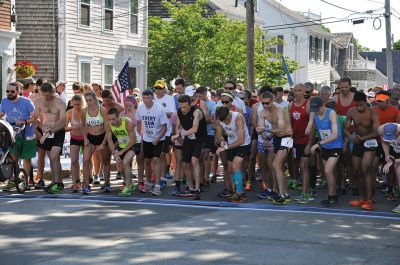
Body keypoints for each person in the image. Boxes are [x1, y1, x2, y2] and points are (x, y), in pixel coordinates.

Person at [344, 92, 380, 210]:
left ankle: (369, 200)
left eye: (361, 105)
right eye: (357, 105)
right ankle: (362, 198)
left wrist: (362, 138)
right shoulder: (351, 112)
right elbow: (345, 129)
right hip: (357, 141)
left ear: (365, 102)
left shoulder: (373, 113)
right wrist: (351, 136)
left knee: (366, 169)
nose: (359, 107)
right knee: (356, 170)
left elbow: (377, 131)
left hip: (370, 141)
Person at [257, 92, 293, 205]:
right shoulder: (263, 112)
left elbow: (282, 129)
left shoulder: (279, 110)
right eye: (263, 103)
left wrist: (266, 130)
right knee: (279, 167)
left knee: (275, 164)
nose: (265, 105)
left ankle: (281, 194)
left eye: (267, 103)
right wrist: (264, 135)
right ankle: (285, 193)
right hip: (277, 138)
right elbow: (259, 128)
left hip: (287, 137)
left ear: (273, 101)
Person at [0, 82, 37, 191]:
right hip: (11, 132)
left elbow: (34, 117)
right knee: (12, 157)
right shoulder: (4, 101)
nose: (9, 93)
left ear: (19, 91)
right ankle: (12, 180)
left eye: (12, 91)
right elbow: (1, 114)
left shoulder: (27, 102)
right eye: (7, 91)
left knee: (26, 158)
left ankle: (25, 181)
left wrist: (24, 121)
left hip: (26, 132)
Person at [309, 96, 343, 207]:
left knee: (328, 170)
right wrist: (308, 127)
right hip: (325, 147)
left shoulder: (331, 113)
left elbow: (335, 135)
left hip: (335, 145)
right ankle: (332, 195)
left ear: (323, 105)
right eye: (314, 109)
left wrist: (318, 144)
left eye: (317, 109)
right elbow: (310, 121)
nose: (316, 111)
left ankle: (332, 196)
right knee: (328, 173)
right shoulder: (314, 112)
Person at [171, 95, 207, 200]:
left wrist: (180, 134)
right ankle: (190, 187)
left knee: (194, 160)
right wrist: (177, 133)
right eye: (181, 107)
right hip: (188, 138)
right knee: (185, 163)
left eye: (185, 107)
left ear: (190, 105)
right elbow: (177, 127)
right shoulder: (179, 112)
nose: (183, 110)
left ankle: (197, 188)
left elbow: (195, 129)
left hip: (199, 139)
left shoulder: (196, 112)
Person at [34, 82, 67, 194]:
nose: (47, 98)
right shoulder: (39, 101)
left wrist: (48, 133)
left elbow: (63, 122)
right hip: (47, 129)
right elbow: (34, 118)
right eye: (44, 95)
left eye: (49, 95)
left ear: (53, 92)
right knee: (53, 157)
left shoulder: (60, 102)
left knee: (53, 156)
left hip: (58, 130)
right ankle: (57, 181)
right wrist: (42, 127)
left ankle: (58, 183)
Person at [215, 105, 251, 202]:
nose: (223, 123)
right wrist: (222, 141)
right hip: (231, 143)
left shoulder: (238, 118)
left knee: (236, 166)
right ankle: (237, 191)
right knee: (230, 168)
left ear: (227, 116)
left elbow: (241, 140)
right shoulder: (219, 119)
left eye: (224, 121)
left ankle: (240, 193)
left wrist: (224, 147)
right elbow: (219, 134)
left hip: (243, 144)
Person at [136, 89, 168, 196]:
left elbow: (164, 127)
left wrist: (158, 138)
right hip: (147, 138)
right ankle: (148, 183)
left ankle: (157, 185)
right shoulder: (140, 108)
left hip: (158, 138)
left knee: (156, 159)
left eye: (148, 98)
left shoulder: (159, 110)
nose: (146, 100)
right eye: (144, 98)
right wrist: (141, 133)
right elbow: (138, 121)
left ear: (152, 98)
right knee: (147, 160)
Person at [373, 91, 400, 200]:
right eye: (378, 100)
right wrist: (387, 154)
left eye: (382, 101)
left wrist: (392, 161)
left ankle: (393, 189)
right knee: (379, 166)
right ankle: (386, 190)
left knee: (395, 169)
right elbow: (384, 140)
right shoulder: (380, 127)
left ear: (387, 101)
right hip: (383, 142)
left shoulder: (395, 111)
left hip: (395, 143)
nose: (379, 103)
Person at [289, 83, 313, 204]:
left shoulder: (308, 105)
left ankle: (305, 193)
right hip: (294, 141)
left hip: (305, 140)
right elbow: (289, 124)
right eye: (295, 90)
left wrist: (310, 143)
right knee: (298, 165)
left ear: (304, 92)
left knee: (304, 166)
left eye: (299, 90)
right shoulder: (290, 105)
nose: (297, 92)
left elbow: (312, 125)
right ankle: (307, 190)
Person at [105, 108, 137, 196]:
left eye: (113, 119)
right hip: (121, 145)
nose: (111, 122)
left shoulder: (127, 122)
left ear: (118, 117)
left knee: (126, 162)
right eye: (109, 119)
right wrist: (114, 153)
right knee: (121, 166)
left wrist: (121, 152)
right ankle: (130, 183)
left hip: (134, 144)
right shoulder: (108, 125)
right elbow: (110, 141)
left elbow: (133, 140)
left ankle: (128, 187)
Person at [82, 91, 109, 194]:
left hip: (102, 137)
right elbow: (84, 126)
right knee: (85, 160)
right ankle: (86, 184)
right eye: (87, 100)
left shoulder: (102, 110)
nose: (89, 102)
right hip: (91, 138)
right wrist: (85, 138)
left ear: (95, 99)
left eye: (90, 100)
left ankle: (106, 183)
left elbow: (108, 129)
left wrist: (103, 143)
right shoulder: (84, 111)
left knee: (105, 161)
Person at [121, 95, 144, 192]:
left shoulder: (139, 113)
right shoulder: (123, 114)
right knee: (126, 162)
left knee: (140, 161)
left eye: (130, 105)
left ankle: (140, 181)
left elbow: (142, 129)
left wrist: (143, 140)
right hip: (127, 141)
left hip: (139, 139)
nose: (128, 107)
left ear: (135, 105)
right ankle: (127, 181)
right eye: (126, 105)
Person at [154, 80, 176, 181]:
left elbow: (172, 114)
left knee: (163, 153)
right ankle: (157, 176)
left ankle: (163, 174)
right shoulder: (152, 98)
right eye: (156, 88)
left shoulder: (170, 98)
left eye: (160, 88)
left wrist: (159, 114)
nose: (158, 90)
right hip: (154, 130)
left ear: (164, 89)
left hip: (167, 130)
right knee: (156, 155)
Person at [65, 95, 85, 192]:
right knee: (74, 160)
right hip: (74, 138)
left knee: (86, 160)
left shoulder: (85, 111)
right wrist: (73, 127)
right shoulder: (69, 112)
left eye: (78, 104)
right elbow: (64, 128)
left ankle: (86, 180)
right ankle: (75, 182)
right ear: (72, 104)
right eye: (74, 104)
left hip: (85, 138)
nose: (76, 106)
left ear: (82, 103)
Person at [379, 123, 400, 213]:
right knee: (398, 176)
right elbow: (385, 142)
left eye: (392, 136)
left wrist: (392, 161)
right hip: (396, 151)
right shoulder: (380, 129)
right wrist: (387, 154)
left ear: (397, 133)